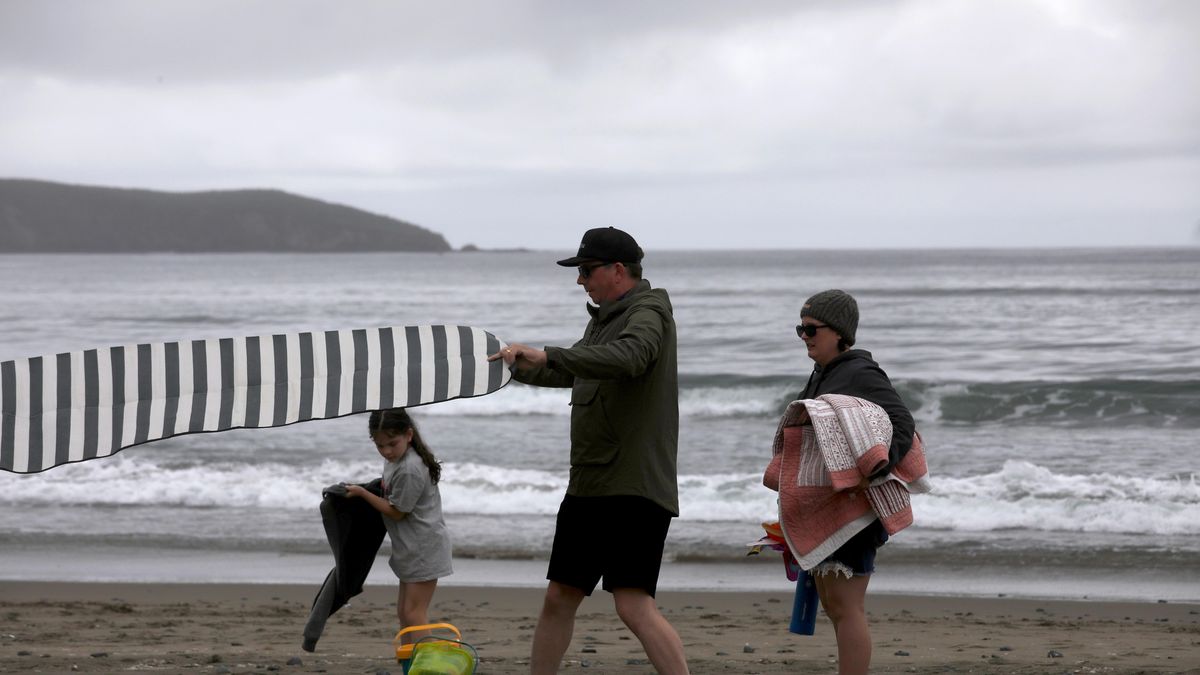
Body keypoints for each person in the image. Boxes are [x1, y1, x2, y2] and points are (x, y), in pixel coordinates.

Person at [489, 227, 689, 675]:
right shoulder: (603, 319)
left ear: (617, 270)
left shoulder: (649, 312)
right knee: (559, 597)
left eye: (585, 270)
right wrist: (511, 368)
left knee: (633, 605)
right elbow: (572, 370)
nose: (580, 280)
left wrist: (548, 354)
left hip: (634, 486)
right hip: (590, 483)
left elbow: (630, 357)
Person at [794, 289, 914, 675]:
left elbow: (903, 424)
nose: (805, 336)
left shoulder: (860, 372)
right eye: (801, 329)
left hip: (857, 514)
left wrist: (874, 471)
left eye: (812, 329)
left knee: (847, 608)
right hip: (832, 508)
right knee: (833, 604)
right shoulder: (823, 374)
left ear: (840, 332)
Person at [344, 408, 452, 649]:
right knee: (404, 612)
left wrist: (362, 493)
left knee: (414, 613)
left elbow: (397, 511)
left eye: (392, 444)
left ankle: (429, 664)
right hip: (410, 546)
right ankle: (410, 661)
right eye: (380, 446)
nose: (387, 451)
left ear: (409, 435)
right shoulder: (397, 460)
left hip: (424, 548)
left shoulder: (410, 468)